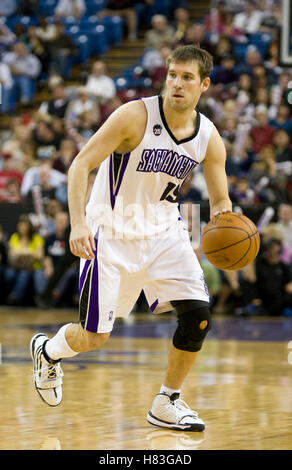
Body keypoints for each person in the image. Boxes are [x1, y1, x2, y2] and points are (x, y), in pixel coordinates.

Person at [30, 45, 232, 431]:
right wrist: (77, 223)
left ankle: (167, 401)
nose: (176, 83)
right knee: (94, 337)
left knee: (199, 318)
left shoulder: (207, 136)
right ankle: (48, 350)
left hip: (165, 231)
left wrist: (223, 213)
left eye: (187, 77)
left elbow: (220, 198)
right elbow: (80, 164)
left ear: (204, 85)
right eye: (172, 74)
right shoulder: (134, 116)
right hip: (111, 231)